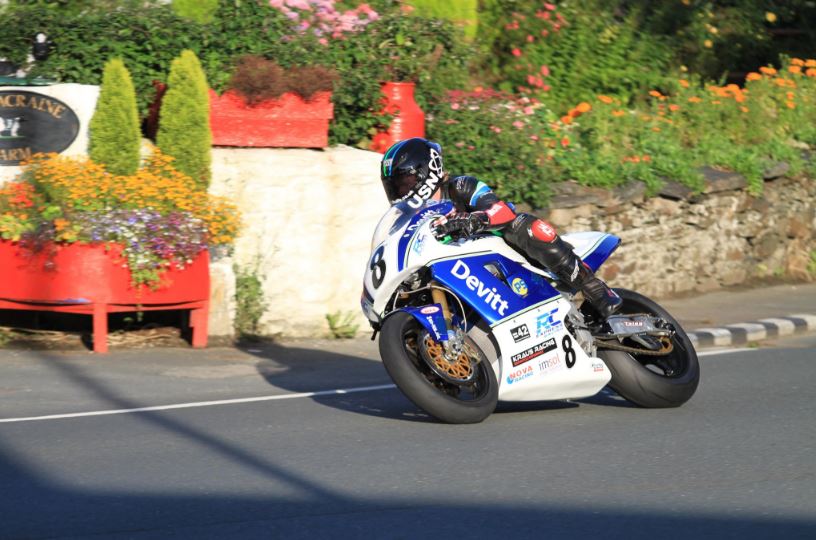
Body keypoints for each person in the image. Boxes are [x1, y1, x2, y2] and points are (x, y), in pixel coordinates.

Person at [380, 137, 622, 320]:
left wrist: (474, 220)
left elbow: (502, 211)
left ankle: (595, 288)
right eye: (394, 186)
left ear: (426, 171)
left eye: (403, 182)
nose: (399, 191)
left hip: (505, 254)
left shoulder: (461, 186)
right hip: (461, 272)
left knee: (523, 225)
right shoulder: (407, 216)